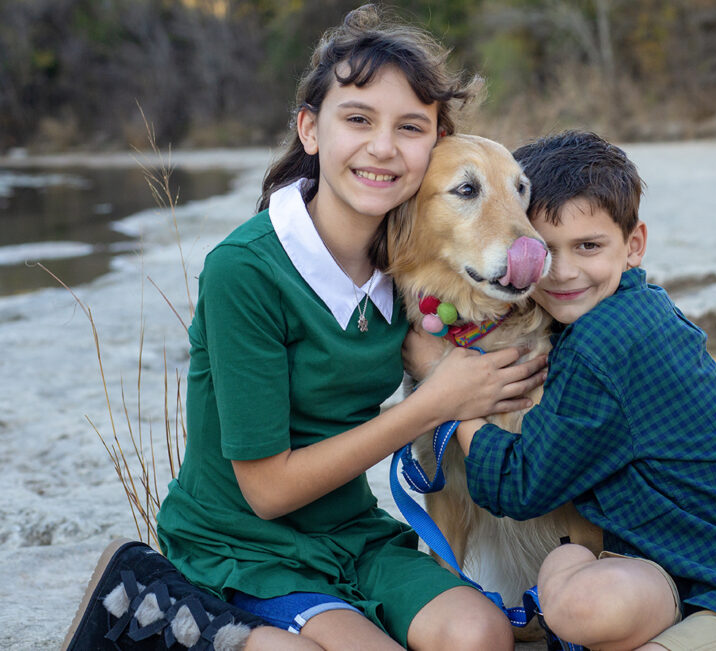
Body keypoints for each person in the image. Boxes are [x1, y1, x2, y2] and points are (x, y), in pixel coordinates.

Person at [62, 6, 546, 651]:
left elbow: (462, 316)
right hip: (242, 539)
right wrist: (436, 402)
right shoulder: (245, 271)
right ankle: (148, 600)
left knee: (481, 634)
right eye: (357, 120)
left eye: (410, 127)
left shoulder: (406, 268)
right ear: (310, 130)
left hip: (351, 532)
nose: (382, 146)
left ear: (434, 147)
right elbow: (266, 491)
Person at [451, 131, 716, 651]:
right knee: (570, 581)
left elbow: (522, 485)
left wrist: (454, 404)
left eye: (588, 246)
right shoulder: (625, 309)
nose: (563, 272)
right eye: (544, 251)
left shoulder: (609, 341)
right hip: (672, 573)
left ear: (633, 245)